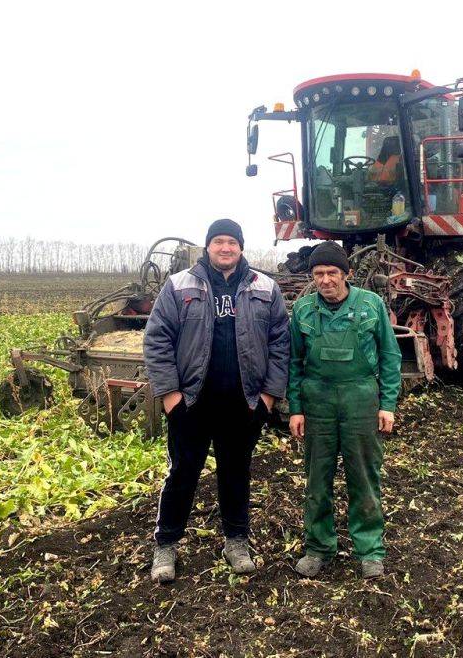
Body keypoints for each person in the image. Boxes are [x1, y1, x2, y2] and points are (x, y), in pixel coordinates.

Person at [144, 219, 290, 583]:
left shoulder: (265, 287)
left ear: (241, 247)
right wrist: (170, 395)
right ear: (208, 247)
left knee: (236, 472)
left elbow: (280, 344)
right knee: (182, 472)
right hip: (191, 402)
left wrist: (269, 397)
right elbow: (157, 340)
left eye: (232, 242)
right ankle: (166, 544)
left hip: (244, 403)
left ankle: (236, 541)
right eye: (218, 242)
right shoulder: (179, 286)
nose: (225, 248)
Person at [287, 241, 401, 579]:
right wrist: (296, 408)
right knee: (317, 480)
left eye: (332, 273)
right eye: (318, 274)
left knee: (363, 476)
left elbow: (390, 357)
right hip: (317, 401)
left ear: (346, 274)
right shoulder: (303, 310)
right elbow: (294, 362)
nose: (325, 280)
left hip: (360, 399)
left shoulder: (371, 306)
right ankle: (319, 547)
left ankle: (369, 550)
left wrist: (388, 404)